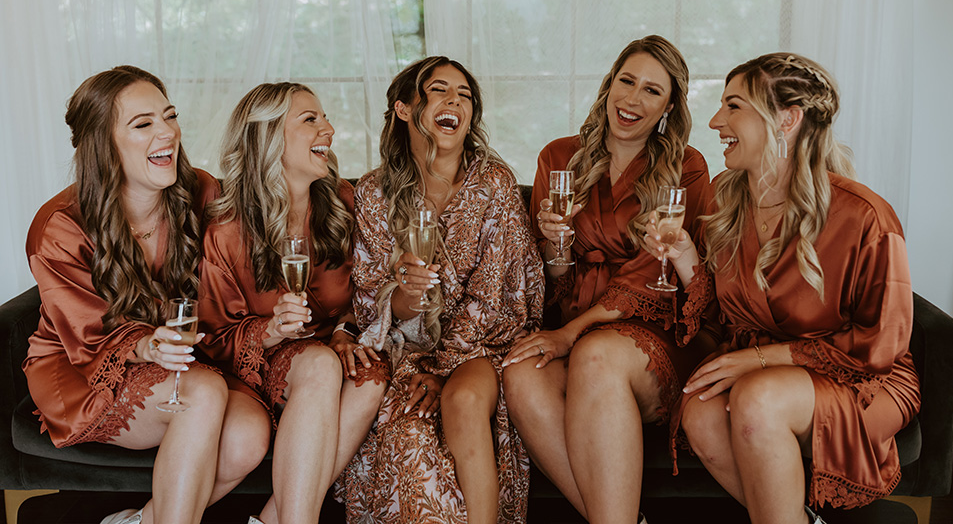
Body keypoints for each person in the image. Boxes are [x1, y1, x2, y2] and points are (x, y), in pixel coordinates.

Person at [672, 53, 921, 524]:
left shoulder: (864, 216)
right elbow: (721, 314)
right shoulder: (726, 198)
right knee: (700, 410)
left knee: (758, 399)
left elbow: (880, 345)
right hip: (768, 376)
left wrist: (761, 360)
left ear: (786, 118)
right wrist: (685, 256)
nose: (714, 120)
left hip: (864, 377)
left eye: (734, 105)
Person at [23, 66, 269, 524]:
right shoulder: (59, 226)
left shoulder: (201, 191)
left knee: (250, 433)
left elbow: (235, 277)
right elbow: (87, 334)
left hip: (179, 360)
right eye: (143, 124)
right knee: (203, 392)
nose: (167, 132)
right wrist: (148, 344)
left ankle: (139, 522)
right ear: (103, 145)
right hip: (86, 365)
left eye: (169, 116)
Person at [502, 35, 718, 523]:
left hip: (654, 329)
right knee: (518, 372)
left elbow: (652, 277)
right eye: (627, 81)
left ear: (669, 105)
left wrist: (568, 334)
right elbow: (551, 281)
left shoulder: (687, 166)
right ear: (608, 85)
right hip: (575, 324)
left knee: (595, 354)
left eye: (651, 90)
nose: (632, 99)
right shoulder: (558, 157)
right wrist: (555, 246)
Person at [336, 56, 543, 524]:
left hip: (484, 344)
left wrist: (443, 367)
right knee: (407, 432)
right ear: (406, 109)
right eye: (439, 91)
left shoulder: (495, 184)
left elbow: (496, 295)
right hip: (404, 349)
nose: (455, 101)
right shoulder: (374, 193)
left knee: (462, 401)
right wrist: (406, 297)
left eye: (465, 95)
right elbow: (370, 298)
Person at [197, 82, 387, 524]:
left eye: (325, 118)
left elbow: (370, 291)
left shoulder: (344, 203)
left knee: (372, 374)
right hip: (253, 369)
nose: (330, 129)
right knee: (321, 365)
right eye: (310, 120)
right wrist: (270, 330)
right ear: (268, 137)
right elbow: (210, 339)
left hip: (323, 356)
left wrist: (344, 331)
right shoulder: (227, 229)